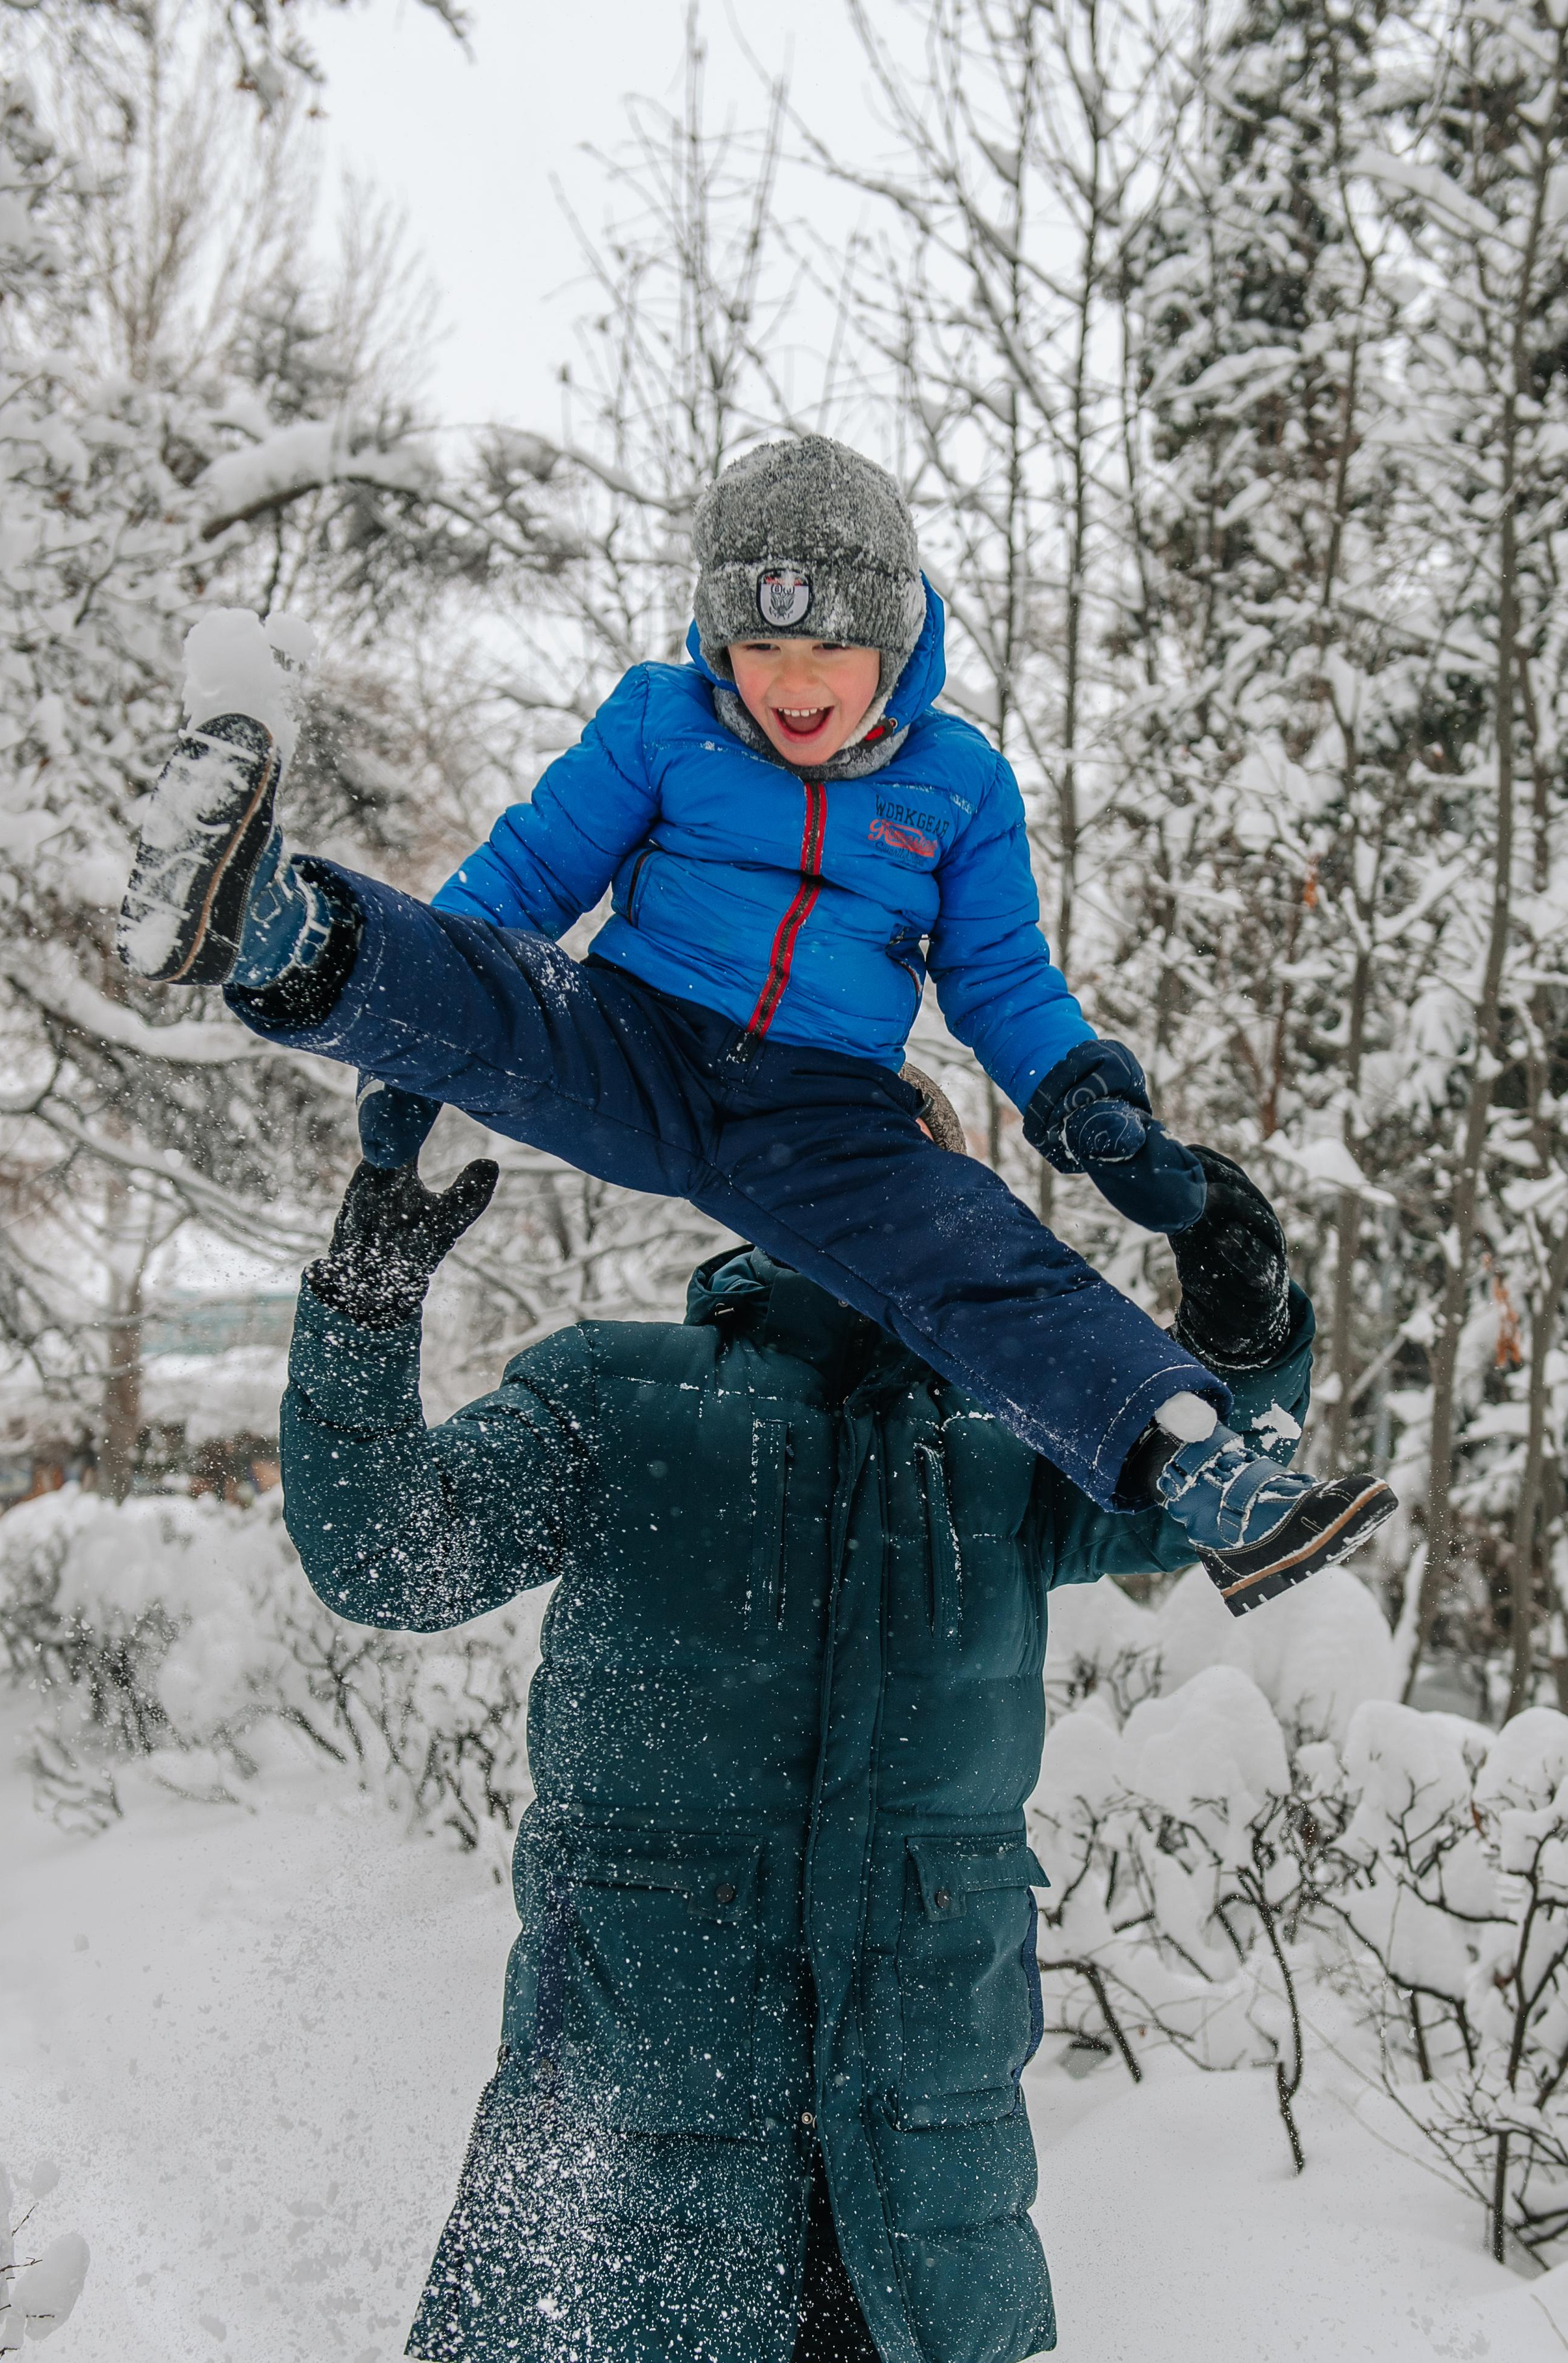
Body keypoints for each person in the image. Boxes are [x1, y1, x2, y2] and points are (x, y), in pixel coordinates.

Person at [118, 433, 1393, 1587]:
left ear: (894, 644)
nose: (791, 681)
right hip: (637, 1038)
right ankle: (273, 925)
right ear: (715, 637)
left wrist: (1081, 1094)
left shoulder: (959, 785)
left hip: (828, 1110)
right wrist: (411, 1049)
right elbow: (524, 880)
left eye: (827, 647)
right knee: (504, 998)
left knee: (977, 1246)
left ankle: (1198, 1462)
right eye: (759, 645)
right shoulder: (661, 724)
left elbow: (1000, 978)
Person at [279, 1076, 1328, 2363]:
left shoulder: (1015, 1437)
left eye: (923, 1172)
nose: (888, 1201)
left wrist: (1240, 1324)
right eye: (847, 1161)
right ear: (768, 1183)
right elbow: (387, 1554)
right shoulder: (615, 1397)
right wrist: (365, 1307)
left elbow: (1230, 1493)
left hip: (918, 2154)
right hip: (633, 2111)